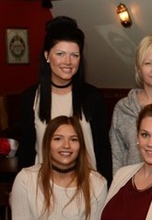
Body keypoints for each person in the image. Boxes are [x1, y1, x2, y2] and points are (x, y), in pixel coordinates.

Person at [18, 16, 112, 182]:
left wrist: (108, 189)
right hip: (44, 189)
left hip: (89, 189)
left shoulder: (93, 97)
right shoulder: (30, 98)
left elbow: (103, 151)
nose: (68, 62)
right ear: (47, 55)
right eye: (60, 54)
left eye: (74, 55)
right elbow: (26, 152)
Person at [10, 115, 107, 220]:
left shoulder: (97, 183)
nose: (66, 145)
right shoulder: (25, 179)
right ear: (47, 143)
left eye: (74, 139)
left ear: (81, 145)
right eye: (58, 139)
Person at [110, 35, 152, 174]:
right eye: (148, 63)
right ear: (138, 68)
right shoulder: (123, 108)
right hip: (131, 188)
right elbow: (117, 157)